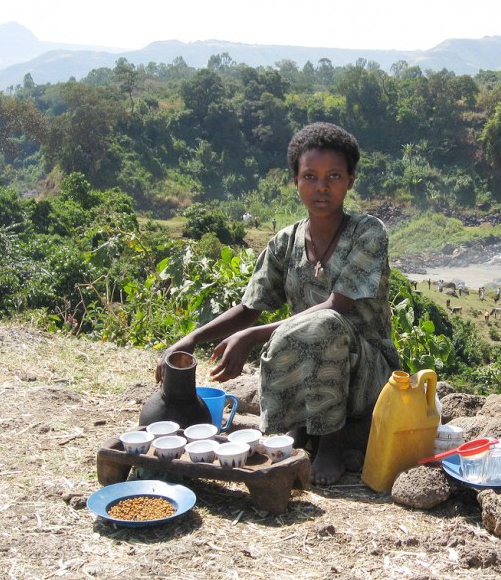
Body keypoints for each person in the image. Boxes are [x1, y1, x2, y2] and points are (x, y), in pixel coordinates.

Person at [155, 122, 400, 485]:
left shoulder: (368, 232)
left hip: (369, 373)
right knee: (296, 332)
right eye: (310, 176)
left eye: (334, 175)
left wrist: (252, 336)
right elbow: (248, 309)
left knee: (322, 325)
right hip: (312, 373)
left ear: (350, 179)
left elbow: (337, 305)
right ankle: (302, 428)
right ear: (295, 181)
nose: (321, 186)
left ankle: (329, 445)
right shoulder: (285, 242)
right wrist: (191, 340)